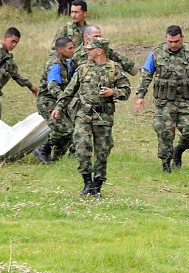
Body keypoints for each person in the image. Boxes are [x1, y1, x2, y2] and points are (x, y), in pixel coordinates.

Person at [52, 37, 130, 197]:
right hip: (83, 114)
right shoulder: (83, 69)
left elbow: (126, 90)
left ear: (99, 51)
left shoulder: (114, 69)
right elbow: (69, 91)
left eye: (90, 49)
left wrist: (113, 92)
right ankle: (87, 182)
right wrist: (58, 107)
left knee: (102, 151)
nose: (87, 51)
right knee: (81, 147)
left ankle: (97, 186)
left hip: (104, 116)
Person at [134, 25, 189, 172]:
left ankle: (179, 151)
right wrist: (140, 96)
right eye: (170, 41)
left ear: (182, 38)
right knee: (165, 132)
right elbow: (146, 76)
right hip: (165, 102)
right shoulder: (156, 53)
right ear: (166, 38)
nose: (173, 44)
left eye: (176, 41)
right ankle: (166, 163)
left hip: (187, 100)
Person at [33, 36, 76, 163]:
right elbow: (52, 86)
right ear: (61, 50)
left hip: (58, 101)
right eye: (70, 48)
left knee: (71, 130)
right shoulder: (55, 64)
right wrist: (65, 99)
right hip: (48, 102)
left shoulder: (67, 62)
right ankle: (42, 148)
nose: (73, 50)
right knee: (65, 130)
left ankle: (57, 158)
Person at [71, 24, 138, 74]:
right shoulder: (76, 55)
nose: (99, 39)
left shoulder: (106, 51)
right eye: (95, 36)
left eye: (100, 36)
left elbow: (133, 69)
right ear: (86, 37)